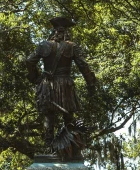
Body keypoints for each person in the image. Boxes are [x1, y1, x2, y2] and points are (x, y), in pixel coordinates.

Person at [26, 17, 96, 155]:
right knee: (68, 116)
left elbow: (29, 61)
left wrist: (35, 77)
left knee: (48, 116)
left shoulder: (43, 45)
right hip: (65, 84)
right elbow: (83, 65)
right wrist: (91, 84)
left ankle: (48, 147)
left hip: (47, 84)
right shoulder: (72, 46)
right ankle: (70, 147)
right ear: (66, 33)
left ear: (53, 32)